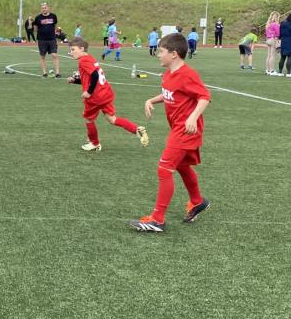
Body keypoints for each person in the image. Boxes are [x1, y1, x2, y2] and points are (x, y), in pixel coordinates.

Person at [129, 33, 210, 233]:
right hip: (177, 128)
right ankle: (197, 201)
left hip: (186, 130)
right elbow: (169, 94)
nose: (158, 54)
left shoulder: (187, 74)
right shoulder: (168, 74)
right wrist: (151, 100)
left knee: (164, 169)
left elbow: (204, 97)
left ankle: (157, 220)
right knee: (181, 166)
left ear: (174, 54)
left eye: (161, 51)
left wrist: (192, 117)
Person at [68, 39, 149, 153]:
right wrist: (75, 81)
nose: (71, 52)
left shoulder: (83, 61)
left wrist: (89, 92)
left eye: (73, 49)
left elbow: (95, 75)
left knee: (88, 119)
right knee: (112, 119)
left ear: (81, 49)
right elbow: (91, 78)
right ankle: (136, 129)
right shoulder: (90, 58)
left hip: (96, 97)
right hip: (105, 93)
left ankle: (94, 143)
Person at [33, 2, 61, 77]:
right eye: (42, 8)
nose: (44, 9)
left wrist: (55, 32)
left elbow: (55, 25)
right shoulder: (38, 17)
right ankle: (44, 73)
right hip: (42, 40)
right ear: (41, 9)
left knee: (54, 55)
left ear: (48, 8)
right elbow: (35, 28)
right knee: (42, 56)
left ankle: (57, 73)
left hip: (52, 39)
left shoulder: (53, 16)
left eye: (45, 8)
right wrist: (41, 32)